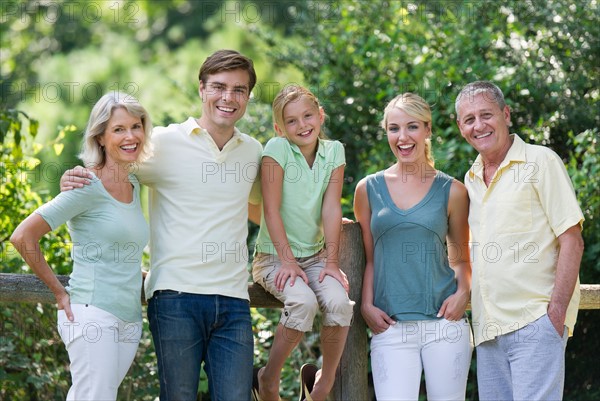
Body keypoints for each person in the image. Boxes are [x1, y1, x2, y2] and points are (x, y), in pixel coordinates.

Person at [60, 50, 263, 401]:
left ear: (247, 96)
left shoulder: (253, 152)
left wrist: (319, 231)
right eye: (219, 87)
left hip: (233, 300)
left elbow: (263, 209)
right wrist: (76, 176)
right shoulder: (162, 144)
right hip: (175, 298)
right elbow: (112, 176)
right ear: (201, 89)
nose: (228, 98)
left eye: (239, 90)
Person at [11, 91, 152, 400]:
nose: (130, 136)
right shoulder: (85, 185)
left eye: (136, 126)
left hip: (128, 318)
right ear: (100, 137)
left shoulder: (134, 184)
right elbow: (23, 237)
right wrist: (59, 292)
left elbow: (118, 242)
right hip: (91, 312)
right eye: (118, 129)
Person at [455, 81, 584, 401]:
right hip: (488, 333)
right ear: (460, 127)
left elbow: (572, 239)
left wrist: (554, 315)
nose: (478, 125)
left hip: (536, 323)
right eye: (469, 119)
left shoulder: (541, 162)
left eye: (486, 114)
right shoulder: (469, 181)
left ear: (506, 114)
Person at [354, 93, 473, 401]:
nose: (403, 137)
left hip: (444, 326)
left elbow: (461, 258)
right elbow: (370, 259)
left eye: (412, 127)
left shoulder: (454, 191)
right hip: (390, 328)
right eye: (394, 128)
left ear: (428, 130)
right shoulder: (368, 189)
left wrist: (462, 293)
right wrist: (367, 305)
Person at [252, 84, 354, 401]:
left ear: (320, 115)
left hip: (316, 257)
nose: (302, 125)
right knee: (304, 304)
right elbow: (270, 209)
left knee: (339, 304)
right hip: (274, 257)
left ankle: (322, 385)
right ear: (279, 128)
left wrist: (333, 262)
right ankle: (267, 380)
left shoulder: (334, 151)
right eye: (292, 121)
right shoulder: (277, 150)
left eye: (308, 116)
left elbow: (331, 206)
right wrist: (286, 260)